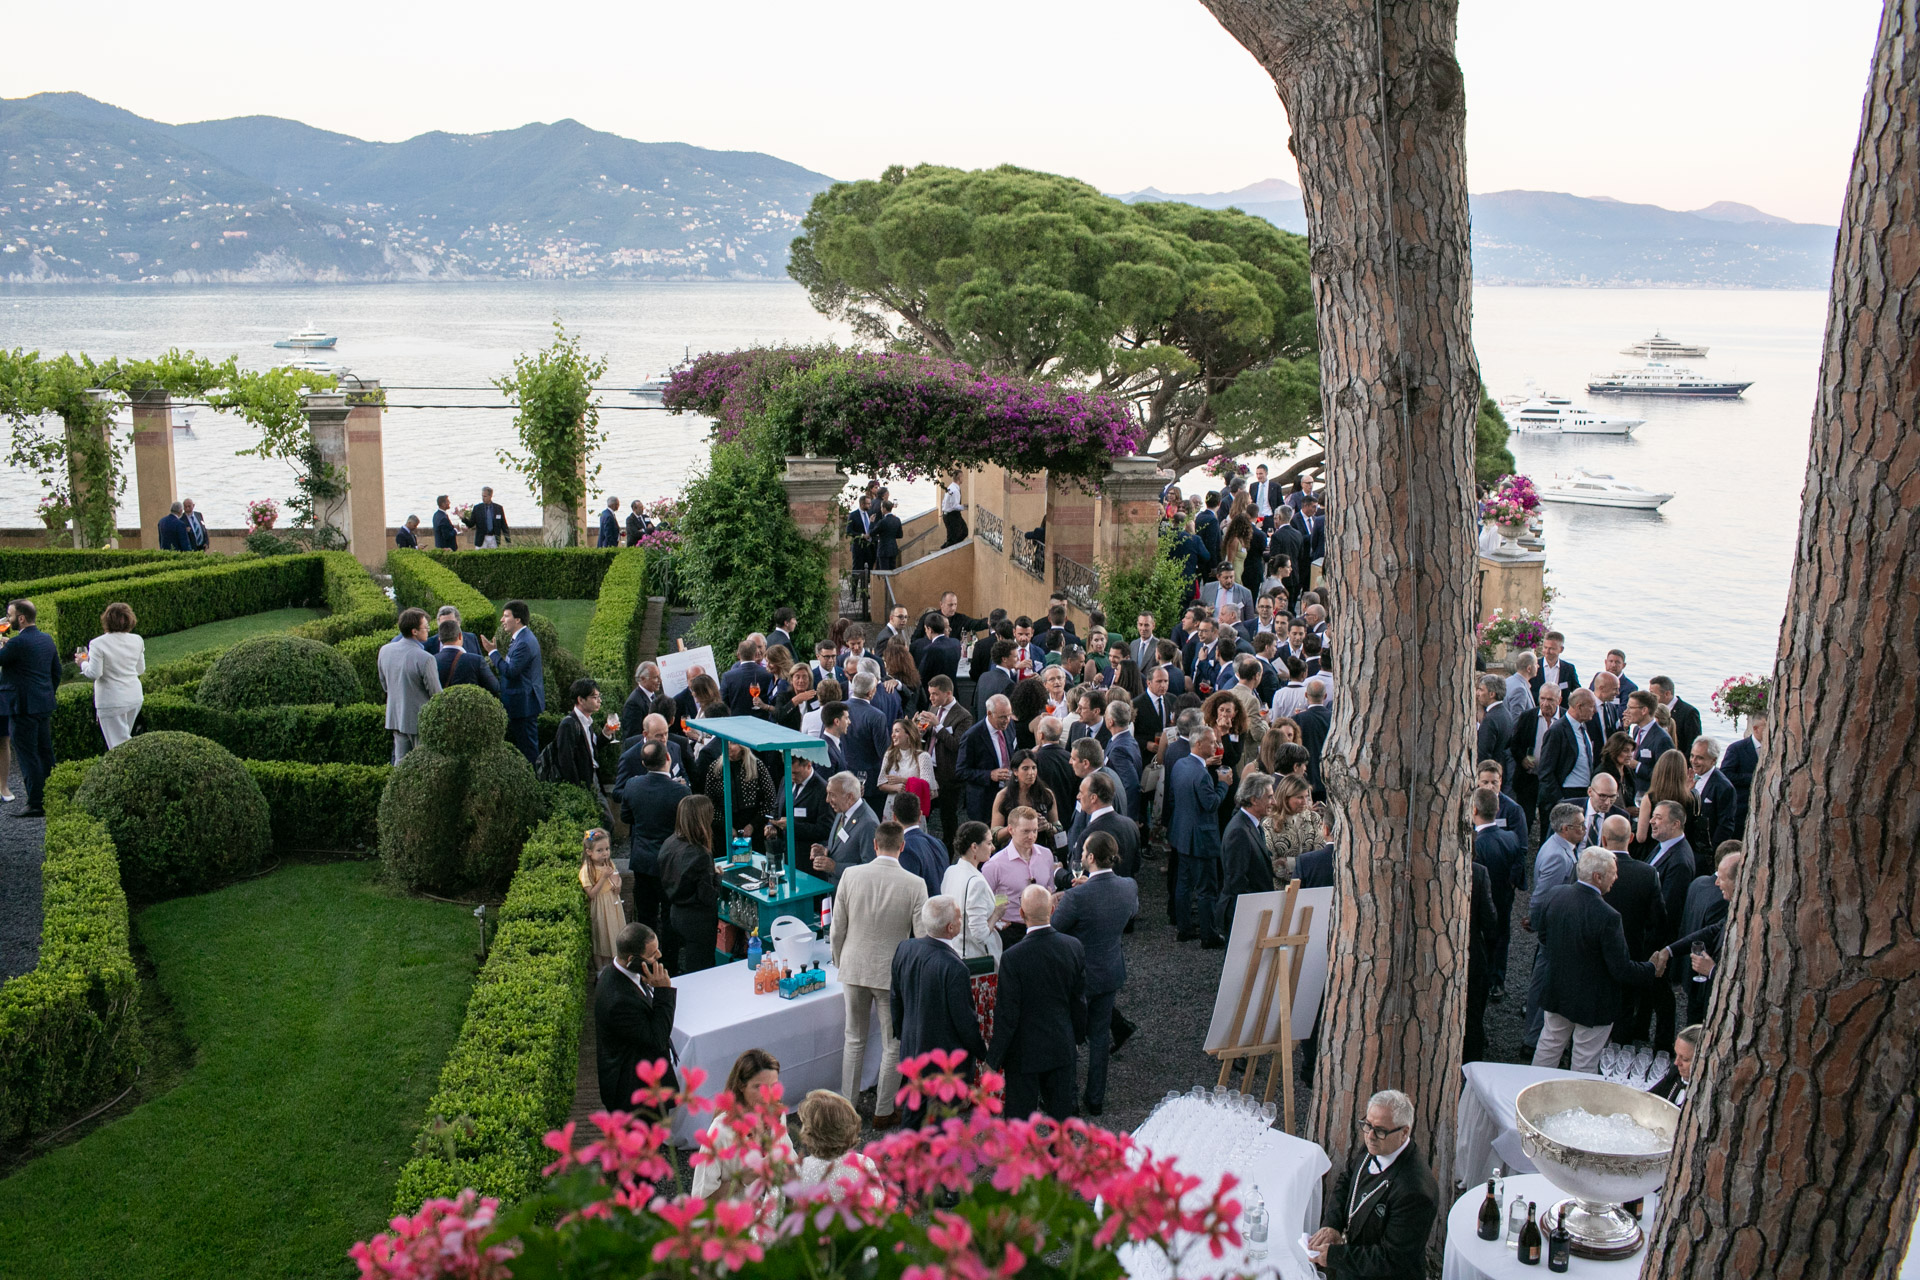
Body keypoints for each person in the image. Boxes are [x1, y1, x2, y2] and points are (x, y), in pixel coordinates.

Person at [1532, 849, 1669, 1071]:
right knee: (1584, 1061)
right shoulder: (1609, 917)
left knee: (1548, 1047)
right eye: (1613, 873)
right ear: (1597, 877)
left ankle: (1532, 1088)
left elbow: (1544, 938)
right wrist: (1651, 969)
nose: (1616, 877)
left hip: (1557, 989)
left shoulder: (1556, 895)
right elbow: (1621, 969)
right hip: (1594, 1002)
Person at [830, 819, 928, 1130]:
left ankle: (848, 1106)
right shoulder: (915, 884)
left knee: (853, 1039)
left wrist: (840, 961)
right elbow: (922, 937)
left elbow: (837, 928)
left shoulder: (851, 875)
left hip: (854, 967)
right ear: (902, 846)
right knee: (892, 1043)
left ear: (874, 845)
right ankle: (883, 1111)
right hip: (892, 974)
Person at [1308, 1090, 1440, 1277]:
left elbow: (1391, 1259)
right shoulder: (1379, 1143)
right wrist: (1332, 1224)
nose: (1370, 1135)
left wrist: (1335, 1256)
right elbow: (1347, 1179)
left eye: (1380, 1130)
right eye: (1367, 1125)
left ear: (1404, 1132)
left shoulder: (1415, 1191)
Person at [1051, 830, 1137, 1116]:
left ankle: (1069, 1101)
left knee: (1070, 1037)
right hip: (1110, 971)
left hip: (1078, 977)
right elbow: (1131, 912)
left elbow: (1055, 929)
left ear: (1089, 857)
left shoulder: (1077, 896)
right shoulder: (1128, 886)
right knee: (1100, 1037)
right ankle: (1095, 1099)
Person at [988, 884, 1088, 1122]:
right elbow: (1079, 1001)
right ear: (1052, 910)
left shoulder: (1012, 958)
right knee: (1061, 1124)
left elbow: (1007, 1014)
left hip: (1024, 1054)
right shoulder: (1073, 947)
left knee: (1020, 1125)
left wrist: (993, 1060)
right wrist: (1076, 1037)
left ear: (1021, 913)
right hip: (1060, 1045)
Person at [890, 895, 989, 1122]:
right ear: (950, 927)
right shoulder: (955, 968)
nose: (962, 920)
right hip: (943, 1061)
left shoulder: (905, 948)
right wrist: (982, 1052)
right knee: (942, 1122)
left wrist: (902, 1034)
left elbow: (895, 997)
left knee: (913, 1116)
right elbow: (965, 1021)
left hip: (912, 1048)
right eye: (960, 917)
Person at [689, 1049, 795, 1222]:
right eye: (759, 1087)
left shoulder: (776, 1114)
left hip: (772, 1217)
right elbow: (702, 1203)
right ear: (741, 1086)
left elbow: (790, 1161)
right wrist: (744, 1178)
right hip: (733, 1224)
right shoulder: (720, 1132)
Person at [1522, 803, 1588, 1050]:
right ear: (1565, 829)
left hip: (1552, 929)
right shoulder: (1558, 856)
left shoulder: (1559, 847)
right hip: (1553, 932)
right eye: (1580, 825)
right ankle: (1533, 1039)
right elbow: (1543, 895)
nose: (1585, 828)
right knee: (1545, 984)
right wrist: (1536, 922)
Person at [1599, 813, 1668, 1046]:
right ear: (1630, 839)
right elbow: (1658, 921)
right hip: (1631, 954)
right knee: (1624, 1010)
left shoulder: (1588, 869)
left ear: (1603, 839)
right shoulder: (1647, 873)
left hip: (1594, 952)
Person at [594, 923, 677, 1115]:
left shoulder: (623, 973)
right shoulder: (619, 1000)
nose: (659, 956)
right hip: (634, 1095)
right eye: (652, 954)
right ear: (632, 959)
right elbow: (657, 1039)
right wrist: (663, 992)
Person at [619, 742, 690, 932]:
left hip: (642, 861)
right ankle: (669, 951)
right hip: (670, 862)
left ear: (643, 763)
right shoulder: (681, 791)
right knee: (670, 915)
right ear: (668, 757)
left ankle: (646, 949)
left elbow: (625, 817)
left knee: (645, 914)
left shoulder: (632, 785)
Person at [1169, 727, 1229, 948]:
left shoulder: (1180, 765)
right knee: (1206, 889)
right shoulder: (1202, 774)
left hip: (1182, 833)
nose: (1216, 746)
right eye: (1212, 742)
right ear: (1198, 744)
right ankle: (1209, 935)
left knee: (1183, 885)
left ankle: (1184, 929)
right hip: (1201, 839)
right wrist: (1223, 784)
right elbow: (1211, 804)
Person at [0, 599, 60, 816]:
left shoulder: (18, 644)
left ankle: (35, 803)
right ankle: (54, 796)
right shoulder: (46, 639)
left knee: (28, 756)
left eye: (10, 615)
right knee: (45, 752)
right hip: (43, 705)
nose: (8, 620)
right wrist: (46, 694)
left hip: (23, 708)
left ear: (21, 618)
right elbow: (56, 671)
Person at [1471, 787, 1524, 998]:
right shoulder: (1511, 837)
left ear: (1474, 810)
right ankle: (1497, 981)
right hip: (1505, 900)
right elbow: (1518, 864)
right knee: (1502, 938)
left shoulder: (1477, 844)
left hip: (1484, 905)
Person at [660, 794, 723, 974]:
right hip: (698, 921)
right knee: (700, 971)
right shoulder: (700, 854)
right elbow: (708, 896)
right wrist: (718, 877)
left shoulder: (670, 842)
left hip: (676, 912)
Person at [377, 608, 443, 764]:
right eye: (425, 627)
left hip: (396, 718)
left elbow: (385, 685)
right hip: (420, 722)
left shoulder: (385, 650)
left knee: (400, 765)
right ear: (414, 631)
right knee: (424, 765)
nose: (428, 630)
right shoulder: (425, 658)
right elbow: (437, 695)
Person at [480, 600, 544, 761]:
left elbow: (510, 672)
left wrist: (492, 652)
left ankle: (533, 776)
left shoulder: (524, 642)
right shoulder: (520, 638)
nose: (502, 620)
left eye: (506, 616)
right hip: (521, 703)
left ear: (517, 619)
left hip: (523, 705)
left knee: (528, 750)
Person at [794, 1091, 881, 1205]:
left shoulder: (797, 1171)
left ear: (809, 1133)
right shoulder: (865, 1164)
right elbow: (878, 1204)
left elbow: (779, 1213)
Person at [78, 602, 145, 750]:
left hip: (112, 701)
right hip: (134, 697)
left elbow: (94, 673)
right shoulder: (137, 640)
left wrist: (83, 663)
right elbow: (140, 669)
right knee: (123, 739)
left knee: (118, 746)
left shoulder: (97, 643)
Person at [1220, 771, 1277, 935]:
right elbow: (1237, 880)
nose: (1273, 802)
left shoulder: (1251, 825)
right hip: (1244, 915)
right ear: (1254, 800)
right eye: (1269, 797)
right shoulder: (1239, 831)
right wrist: (1254, 911)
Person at [918, 675, 973, 843]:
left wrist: (938, 726)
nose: (931, 698)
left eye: (935, 694)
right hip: (928, 770)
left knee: (948, 819)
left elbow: (956, 745)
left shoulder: (964, 716)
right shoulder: (933, 708)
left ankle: (949, 852)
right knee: (923, 814)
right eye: (930, 693)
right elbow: (927, 735)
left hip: (948, 775)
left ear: (948, 693)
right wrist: (919, 730)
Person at [940, 821, 1000, 961]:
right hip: (976, 957)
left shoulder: (950, 871)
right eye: (989, 843)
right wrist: (997, 914)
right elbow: (980, 935)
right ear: (974, 847)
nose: (993, 847)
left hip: (954, 950)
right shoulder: (977, 883)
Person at [810, 771, 879, 884]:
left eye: (832, 795)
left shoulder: (869, 824)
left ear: (849, 797)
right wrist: (826, 850)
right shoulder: (842, 810)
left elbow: (870, 868)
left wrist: (835, 867)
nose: (827, 800)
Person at [958, 693, 1016, 824]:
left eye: (1009, 715)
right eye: (1002, 717)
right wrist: (989, 775)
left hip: (1009, 794)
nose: (1007, 720)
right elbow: (961, 771)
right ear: (989, 714)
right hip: (984, 802)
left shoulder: (1009, 726)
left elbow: (1013, 750)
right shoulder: (972, 736)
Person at [579, 828, 627, 973]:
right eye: (599, 850)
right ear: (589, 852)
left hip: (612, 903)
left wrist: (618, 885)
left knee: (614, 933)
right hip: (601, 906)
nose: (605, 853)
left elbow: (617, 878)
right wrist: (604, 877)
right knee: (601, 938)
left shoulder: (609, 863)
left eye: (607, 849)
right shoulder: (587, 870)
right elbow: (592, 894)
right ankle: (601, 971)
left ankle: (613, 966)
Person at [551, 676, 611, 788]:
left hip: (593, 777)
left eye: (599, 697)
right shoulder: (568, 725)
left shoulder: (587, 721)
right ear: (581, 700)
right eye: (595, 697)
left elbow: (591, 749)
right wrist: (577, 787)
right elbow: (566, 760)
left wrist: (605, 734)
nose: (599, 701)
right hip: (582, 782)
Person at [990, 749, 1059, 840]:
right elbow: (994, 836)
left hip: (1040, 846)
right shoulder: (1003, 796)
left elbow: (1059, 830)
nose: (1031, 773)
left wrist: (1048, 827)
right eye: (1025, 768)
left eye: (1034, 768)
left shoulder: (1046, 794)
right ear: (1015, 771)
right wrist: (1018, 825)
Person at [1719, 705, 1766, 838]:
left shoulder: (1776, 749)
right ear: (1756, 729)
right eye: (1767, 728)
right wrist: (1755, 778)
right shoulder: (1737, 749)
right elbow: (1726, 775)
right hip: (1742, 809)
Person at [891, 791, 948, 897]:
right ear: (920, 815)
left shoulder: (905, 849)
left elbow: (907, 892)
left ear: (894, 817)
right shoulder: (939, 844)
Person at [1688, 735, 1740, 848]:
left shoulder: (1724, 787)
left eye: (1700, 758)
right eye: (1692, 756)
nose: (1694, 761)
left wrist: (1712, 850)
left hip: (1704, 848)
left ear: (1713, 760)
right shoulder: (1688, 777)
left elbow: (1725, 826)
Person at [1622, 689, 1675, 797]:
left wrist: (1637, 766)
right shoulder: (1636, 730)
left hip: (1650, 795)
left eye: (1631, 708)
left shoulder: (1662, 739)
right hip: (1634, 791)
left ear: (1644, 710)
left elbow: (1665, 775)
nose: (1626, 712)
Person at [879, 719, 937, 805]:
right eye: (892, 732)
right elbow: (881, 784)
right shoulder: (889, 754)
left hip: (914, 806)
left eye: (897, 731)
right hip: (892, 805)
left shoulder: (923, 757)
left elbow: (927, 786)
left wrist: (903, 781)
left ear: (908, 734)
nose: (892, 735)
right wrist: (895, 788)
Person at [435, 617, 500, 693]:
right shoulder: (476, 660)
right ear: (460, 636)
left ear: (439, 639)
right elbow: (495, 687)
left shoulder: (433, 660)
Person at [1648, 1024, 1704, 1107]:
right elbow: (1648, 1098)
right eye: (1676, 1054)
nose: (1676, 1063)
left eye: (1685, 1059)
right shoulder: (1675, 1072)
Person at [1648, 675, 1703, 755]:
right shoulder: (1652, 710)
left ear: (1667, 694)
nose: (1650, 698)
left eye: (1653, 695)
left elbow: (1693, 743)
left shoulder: (1689, 712)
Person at [940, 473, 968, 548]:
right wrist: (965, 507)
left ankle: (948, 546)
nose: (963, 479)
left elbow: (944, 502)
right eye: (962, 477)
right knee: (956, 536)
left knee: (963, 532)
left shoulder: (950, 487)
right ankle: (948, 548)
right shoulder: (955, 490)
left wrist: (944, 510)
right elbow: (955, 506)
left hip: (948, 514)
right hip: (952, 515)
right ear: (959, 478)